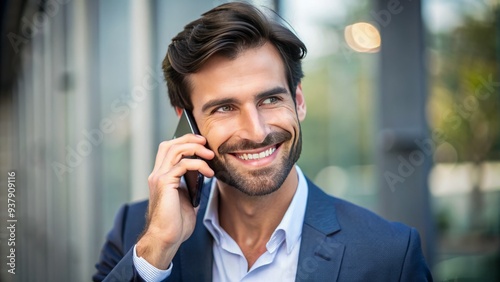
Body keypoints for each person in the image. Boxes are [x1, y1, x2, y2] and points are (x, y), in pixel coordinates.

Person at [93, 2, 432, 281]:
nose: (256, 132)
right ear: (187, 122)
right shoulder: (137, 234)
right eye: (224, 108)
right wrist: (157, 250)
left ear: (298, 101)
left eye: (270, 100)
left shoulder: (389, 255)